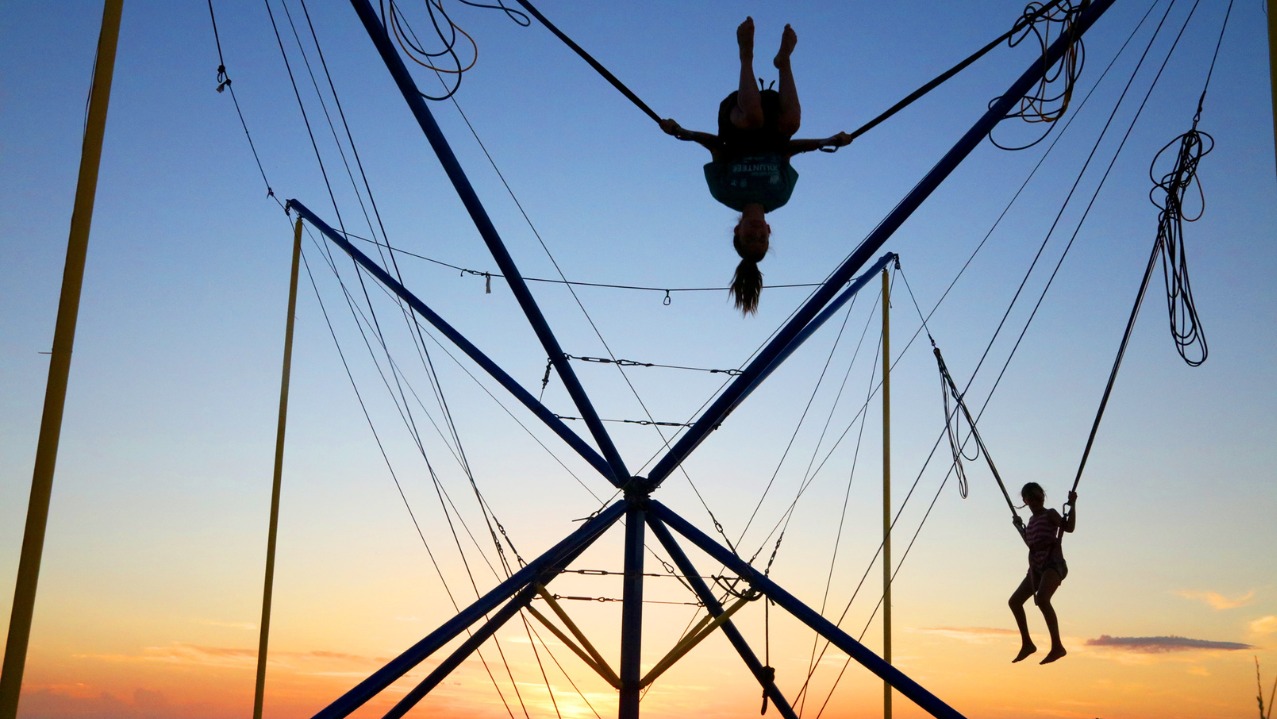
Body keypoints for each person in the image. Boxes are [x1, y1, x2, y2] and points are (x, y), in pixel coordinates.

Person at [660, 17, 852, 315]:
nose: (756, 232)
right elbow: (788, 149)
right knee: (793, 123)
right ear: (769, 230)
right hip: (774, 121)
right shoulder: (780, 195)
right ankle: (784, 62)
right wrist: (826, 141)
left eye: (749, 237)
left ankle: (746, 56)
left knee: (752, 118)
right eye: (762, 238)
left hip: (738, 118)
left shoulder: (724, 192)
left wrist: (683, 132)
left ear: (737, 230)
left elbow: (716, 146)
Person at [1009, 482, 1077, 664]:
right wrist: (1019, 528)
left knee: (1042, 599)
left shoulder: (1050, 514)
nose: (1035, 501)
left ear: (1043, 497)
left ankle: (1057, 646)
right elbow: (1031, 543)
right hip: (1036, 568)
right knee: (1014, 602)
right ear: (1025, 501)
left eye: (1038, 497)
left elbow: (1069, 527)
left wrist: (1073, 505)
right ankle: (1027, 644)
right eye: (1031, 498)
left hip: (1053, 564)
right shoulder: (1031, 522)